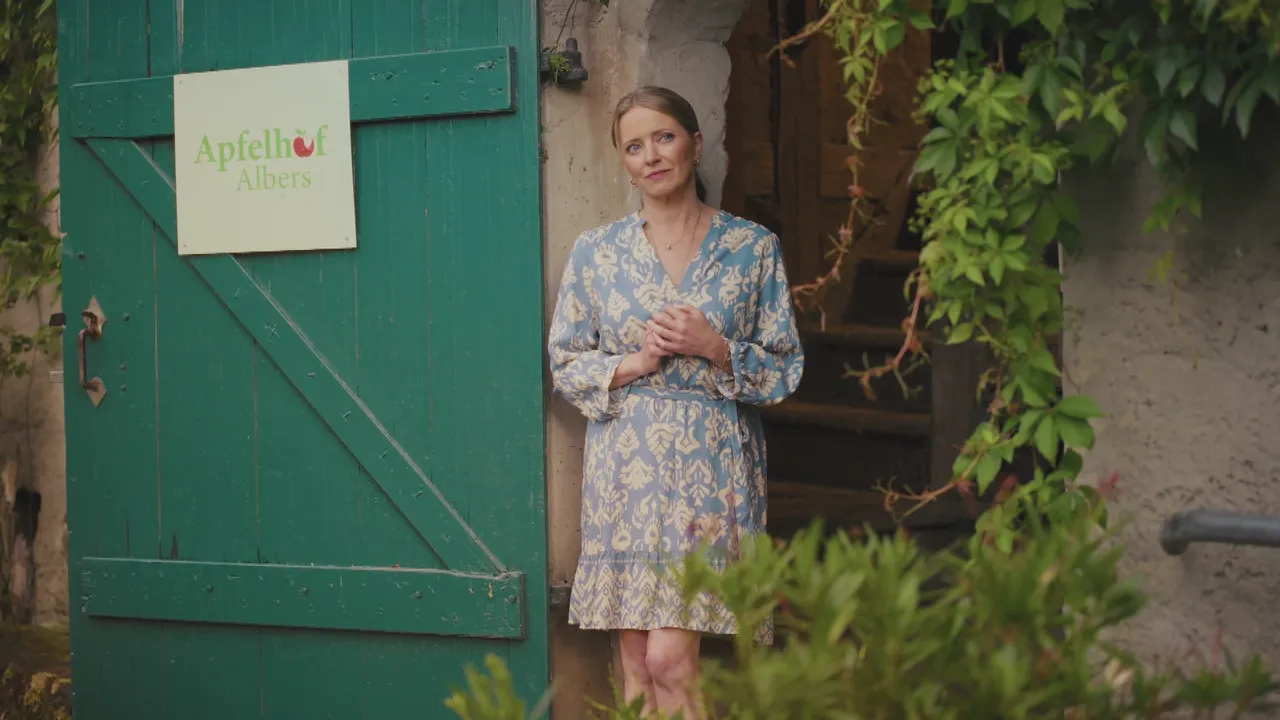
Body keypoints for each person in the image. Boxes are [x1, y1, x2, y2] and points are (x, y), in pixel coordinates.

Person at [547, 85, 805, 718]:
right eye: (634, 146)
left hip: (711, 467)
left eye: (663, 137)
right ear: (623, 161)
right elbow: (565, 361)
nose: (652, 156)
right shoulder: (597, 251)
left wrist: (715, 347)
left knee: (668, 658)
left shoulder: (752, 248)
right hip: (625, 466)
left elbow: (784, 368)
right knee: (636, 659)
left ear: (694, 142)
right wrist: (634, 363)